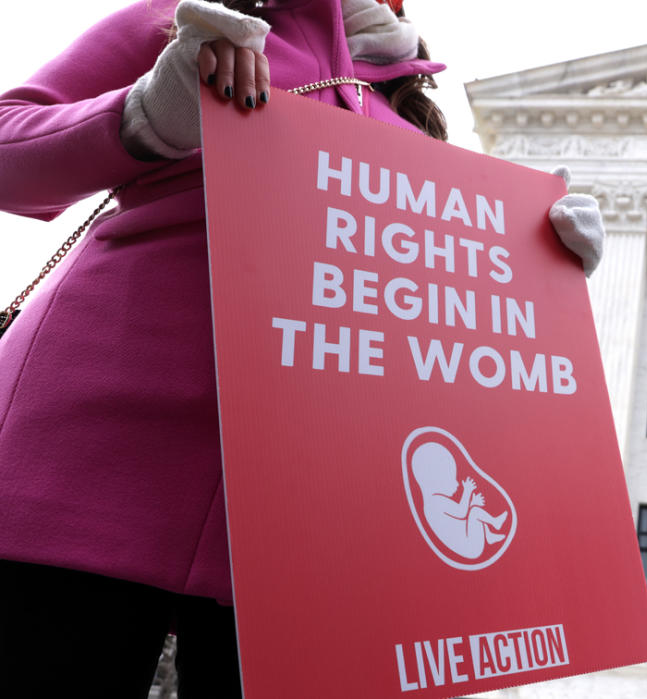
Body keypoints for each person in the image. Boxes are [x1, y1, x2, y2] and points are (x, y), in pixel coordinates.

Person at [0, 1, 602, 696]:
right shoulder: (182, 18)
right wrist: (145, 114)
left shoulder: (408, 112)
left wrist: (531, 272)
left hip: (299, 522)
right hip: (89, 454)